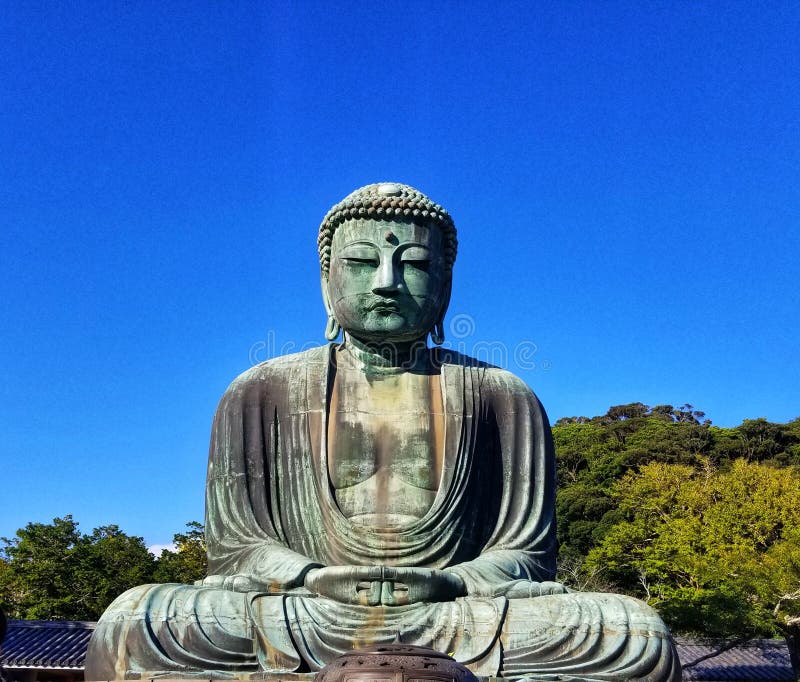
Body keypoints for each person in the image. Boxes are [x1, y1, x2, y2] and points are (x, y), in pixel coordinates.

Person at [86, 183, 681, 681]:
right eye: (363, 262)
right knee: (135, 622)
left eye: (414, 264)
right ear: (326, 281)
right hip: (306, 612)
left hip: (455, 613)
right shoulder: (260, 391)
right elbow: (237, 548)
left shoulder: (502, 396)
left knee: (632, 633)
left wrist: (449, 580)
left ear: (445, 284)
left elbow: (525, 553)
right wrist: (312, 577)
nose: (388, 281)